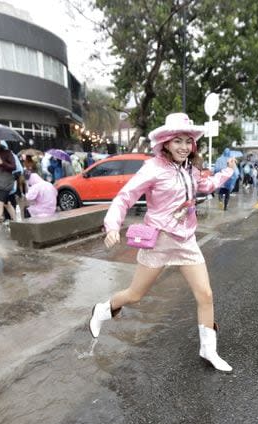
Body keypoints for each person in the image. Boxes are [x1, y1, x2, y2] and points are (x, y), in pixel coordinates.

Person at [88, 112, 236, 372]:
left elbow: (207, 185)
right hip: (158, 241)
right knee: (135, 295)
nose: (184, 147)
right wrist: (112, 226)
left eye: (188, 141)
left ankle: (208, 349)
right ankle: (103, 309)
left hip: (186, 240)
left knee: (206, 294)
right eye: (178, 141)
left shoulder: (189, 168)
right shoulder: (153, 168)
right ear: (166, 142)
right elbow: (125, 197)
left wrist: (227, 172)